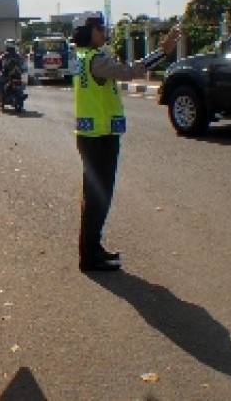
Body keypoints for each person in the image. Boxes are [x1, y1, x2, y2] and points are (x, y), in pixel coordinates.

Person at [72, 15, 181, 272]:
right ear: (89, 32)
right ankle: (90, 256)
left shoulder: (83, 57)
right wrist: (162, 52)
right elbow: (132, 71)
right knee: (99, 197)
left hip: (91, 135)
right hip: (100, 137)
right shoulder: (96, 60)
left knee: (94, 197)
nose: (104, 31)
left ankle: (92, 249)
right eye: (100, 28)